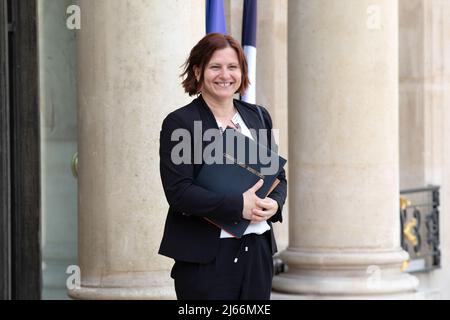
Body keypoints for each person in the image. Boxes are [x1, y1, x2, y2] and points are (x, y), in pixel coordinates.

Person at [158, 33, 287, 300]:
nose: (225, 75)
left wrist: (274, 204)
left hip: (257, 251)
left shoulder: (259, 116)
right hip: (206, 259)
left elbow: (278, 177)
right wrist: (238, 206)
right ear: (198, 70)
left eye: (233, 67)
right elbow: (179, 193)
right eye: (215, 66)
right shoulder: (180, 123)